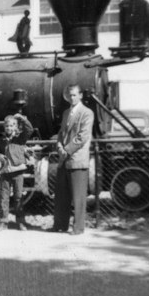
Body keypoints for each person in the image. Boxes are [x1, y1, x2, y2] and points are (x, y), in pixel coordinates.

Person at [50, 84, 94, 235]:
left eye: (75, 95)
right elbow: (61, 134)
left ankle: (78, 228)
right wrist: (59, 146)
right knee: (61, 196)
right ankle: (60, 225)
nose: (72, 98)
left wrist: (66, 150)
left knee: (78, 198)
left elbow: (82, 136)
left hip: (77, 159)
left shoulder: (87, 113)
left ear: (80, 95)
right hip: (64, 159)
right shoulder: (66, 113)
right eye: (70, 95)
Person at [0, 113, 33, 231]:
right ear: (4, 127)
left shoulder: (20, 138)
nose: (9, 128)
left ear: (16, 127)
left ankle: (21, 221)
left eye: (12, 126)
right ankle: (3, 222)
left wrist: (23, 118)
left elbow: (29, 129)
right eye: (7, 126)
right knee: (4, 197)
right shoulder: (1, 140)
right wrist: (0, 156)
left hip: (18, 172)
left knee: (18, 196)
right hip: (5, 172)